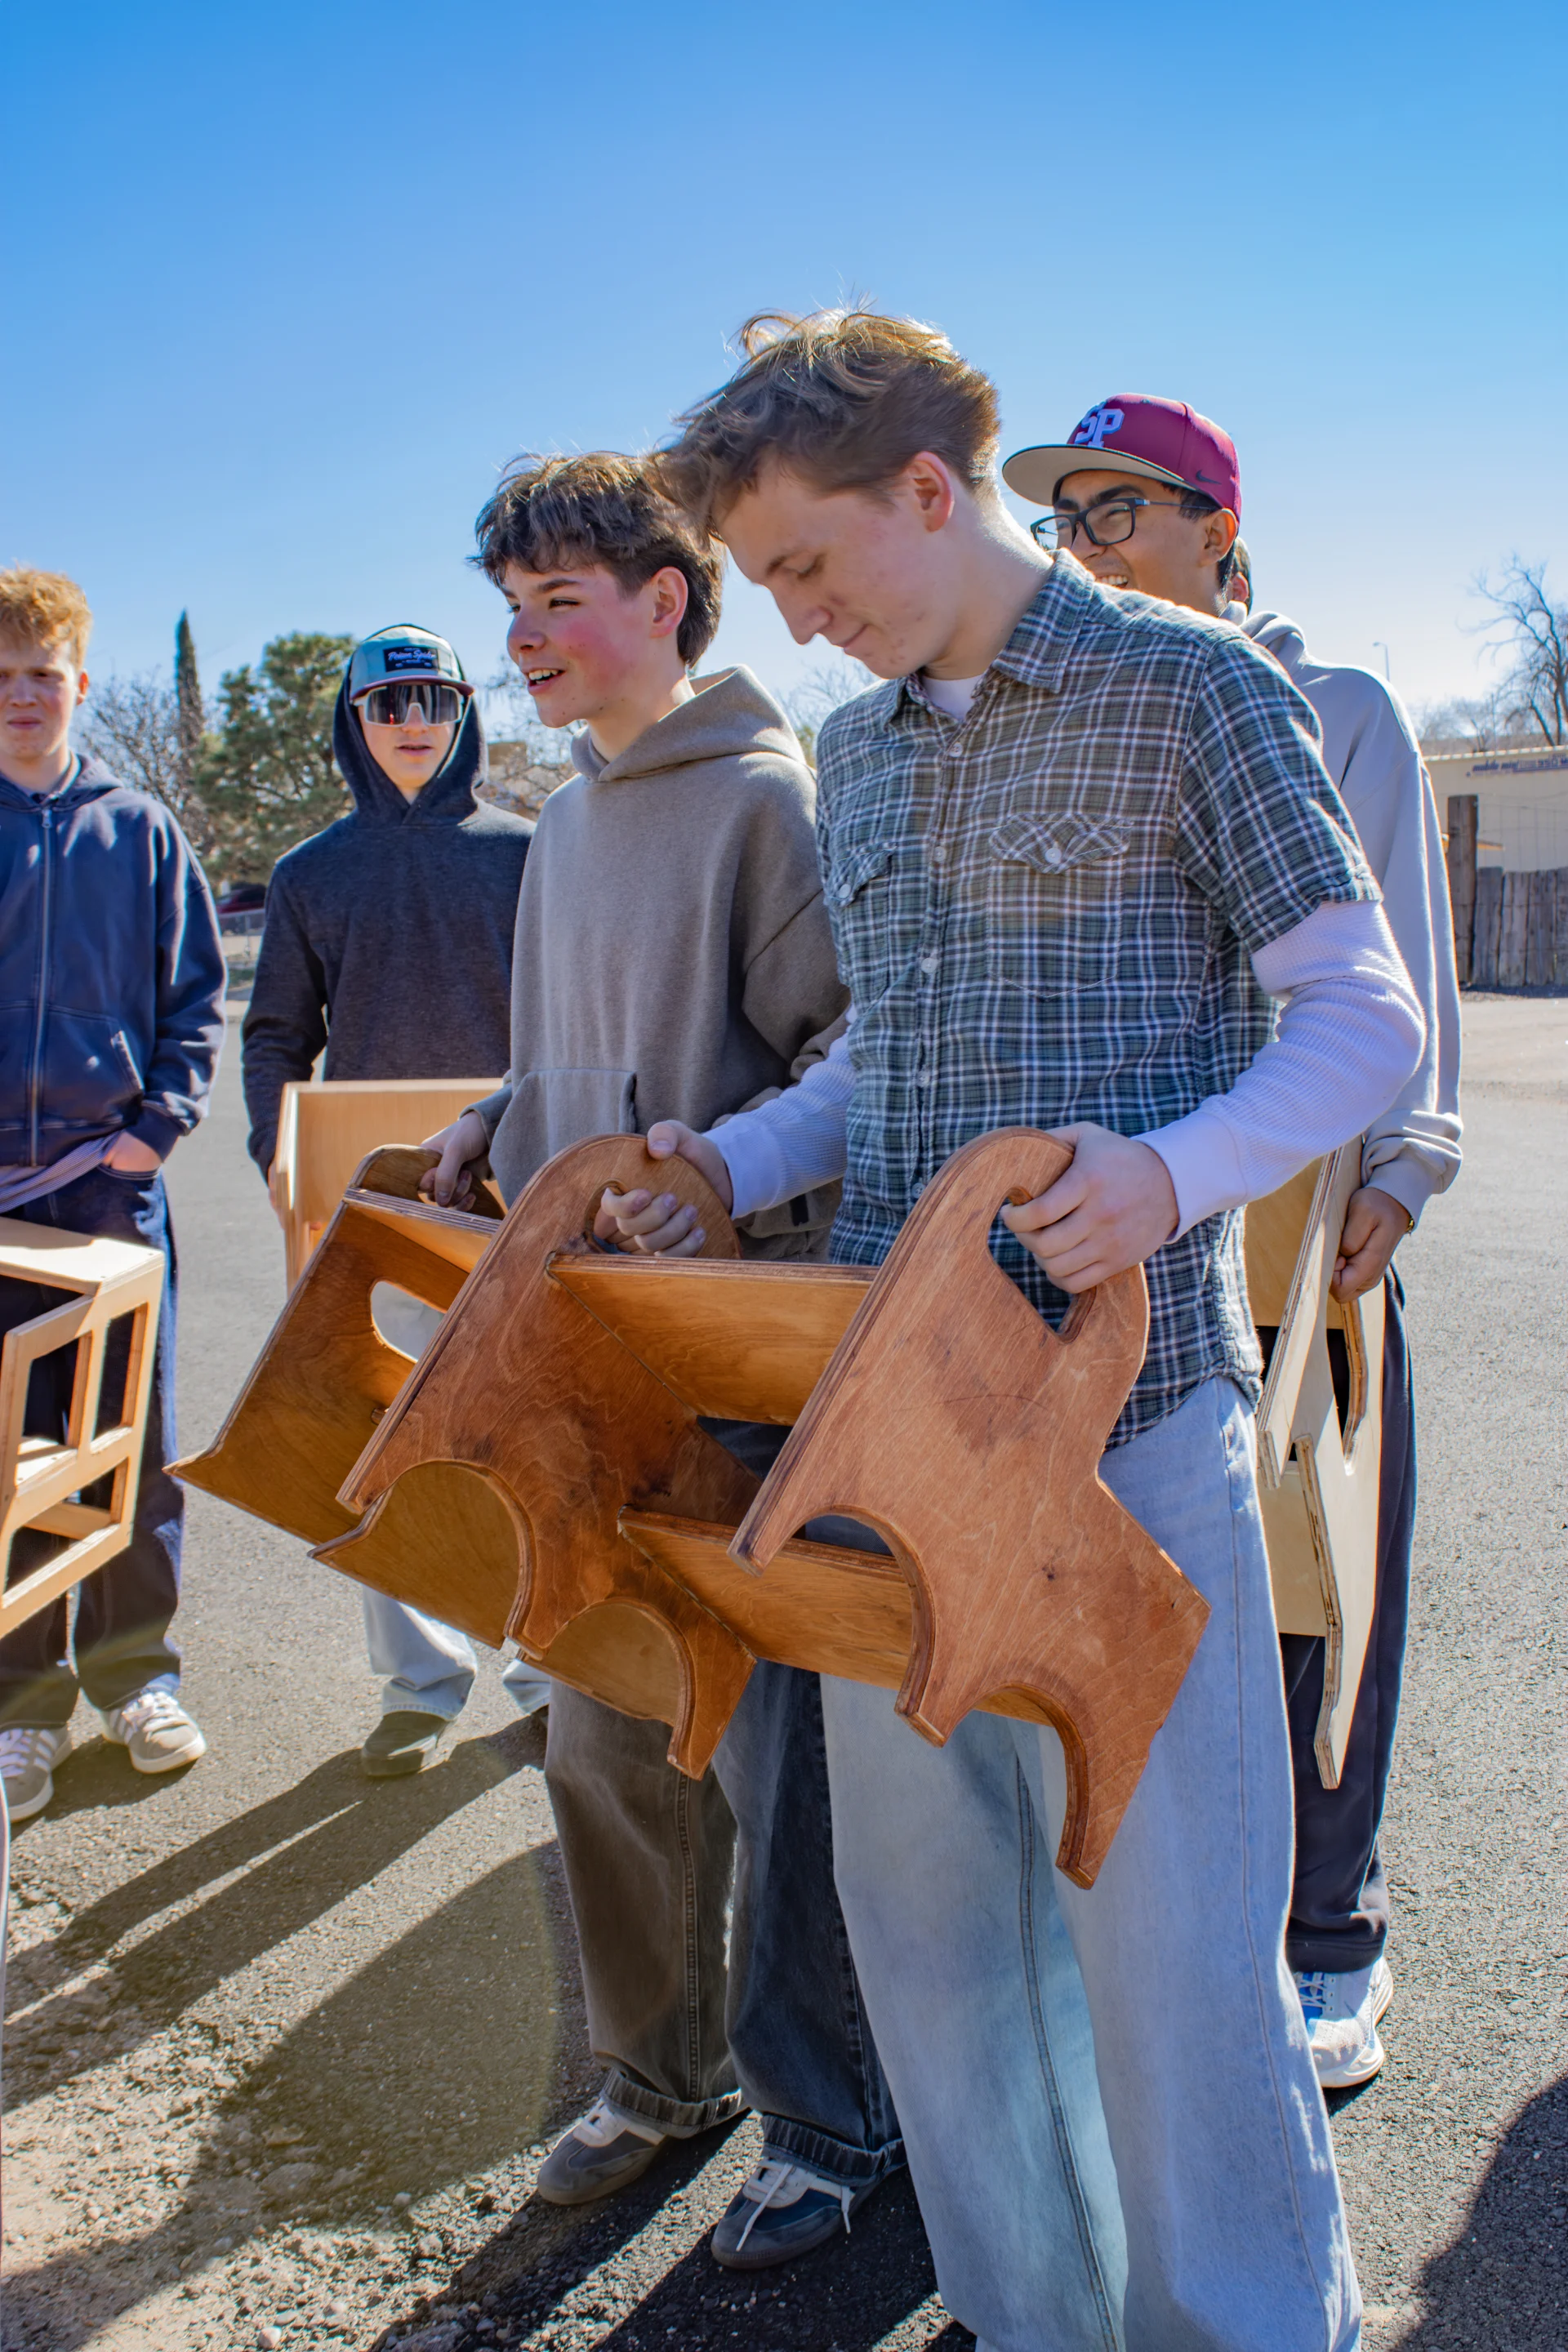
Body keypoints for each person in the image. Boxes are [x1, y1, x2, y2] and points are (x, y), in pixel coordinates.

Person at [608, 310, 1428, 2351]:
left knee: (1174, 1984)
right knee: (947, 1968)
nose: (797, 626)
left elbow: (1364, 1020)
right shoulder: (860, 759)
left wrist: (1172, 1174)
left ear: (924, 488)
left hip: (1133, 1441)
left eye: (810, 568)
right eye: (769, 589)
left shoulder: (1196, 689)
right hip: (896, 1445)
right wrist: (728, 1157)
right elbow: (888, 1054)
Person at [421, 451, 901, 2269]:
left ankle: (827, 2125)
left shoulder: (766, 801)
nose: (525, 641)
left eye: (562, 602)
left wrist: (710, 1190)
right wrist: (502, 1110)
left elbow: (849, 1060)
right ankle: (655, 2076)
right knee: (602, 1736)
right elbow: (586, 1058)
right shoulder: (561, 821)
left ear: (666, 601)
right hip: (580, 1354)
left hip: (733, 1357)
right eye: (513, 609)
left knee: (773, 1767)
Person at [1000, 396, 1462, 2087]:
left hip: (1303, 1223)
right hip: (1126, 1233)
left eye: (1123, 511)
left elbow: (1400, 967)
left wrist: (1404, 1176)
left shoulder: (1331, 709)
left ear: (1220, 530)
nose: (1088, 546)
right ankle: (1187, 1937)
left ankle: (1333, 1934)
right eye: (1069, 519)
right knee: (1151, 1594)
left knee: (1320, 1589)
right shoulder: (1077, 724)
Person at [242, 625, 542, 1776]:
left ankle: (542, 1668)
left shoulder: (531, 849)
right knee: (392, 1441)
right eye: (388, 703)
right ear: (353, 723)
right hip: (382, 1202)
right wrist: (280, 1151)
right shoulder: (312, 874)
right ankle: (419, 1682)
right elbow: (276, 1037)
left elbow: (566, 1021)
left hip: (520, 1188)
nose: (414, 719)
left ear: (466, 710)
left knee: (522, 1434)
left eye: (436, 698)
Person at [0, 566, 225, 1820]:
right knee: (19, 1452)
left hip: (106, 1187)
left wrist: (154, 1131)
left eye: (44, 673)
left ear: (79, 682)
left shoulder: (136, 830)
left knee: (134, 1443)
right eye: (3, 678)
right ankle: (22, 1711)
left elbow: (194, 997)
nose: (25, 696)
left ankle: (135, 1670)